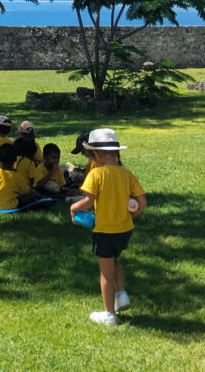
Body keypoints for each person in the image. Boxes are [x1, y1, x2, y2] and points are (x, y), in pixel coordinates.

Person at [70, 127, 147, 326]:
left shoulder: (96, 174)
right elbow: (142, 203)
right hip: (124, 231)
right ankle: (121, 295)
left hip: (105, 231)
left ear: (95, 154)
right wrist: (130, 215)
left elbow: (88, 201)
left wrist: (73, 207)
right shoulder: (127, 174)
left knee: (105, 271)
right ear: (117, 152)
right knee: (113, 262)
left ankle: (109, 314)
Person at [0, 142, 36, 209]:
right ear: (15, 158)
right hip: (9, 206)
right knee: (32, 195)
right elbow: (26, 191)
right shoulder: (16, 175)